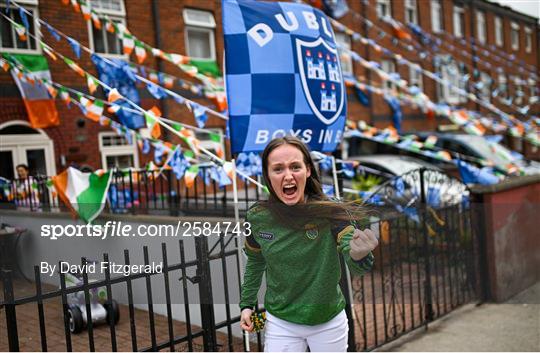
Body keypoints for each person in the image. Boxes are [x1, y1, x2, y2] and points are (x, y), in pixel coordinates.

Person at [239, 136, 379, 352]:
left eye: (295, 166)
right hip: (280, 321)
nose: (288, 175)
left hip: (328, 321)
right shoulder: (257, 216)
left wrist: (359, 255)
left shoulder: (332, 211)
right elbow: (255, 262)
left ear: (308, 170)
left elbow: (353, 258)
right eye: (278, 169)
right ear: (267, 175)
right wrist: (247, 305)